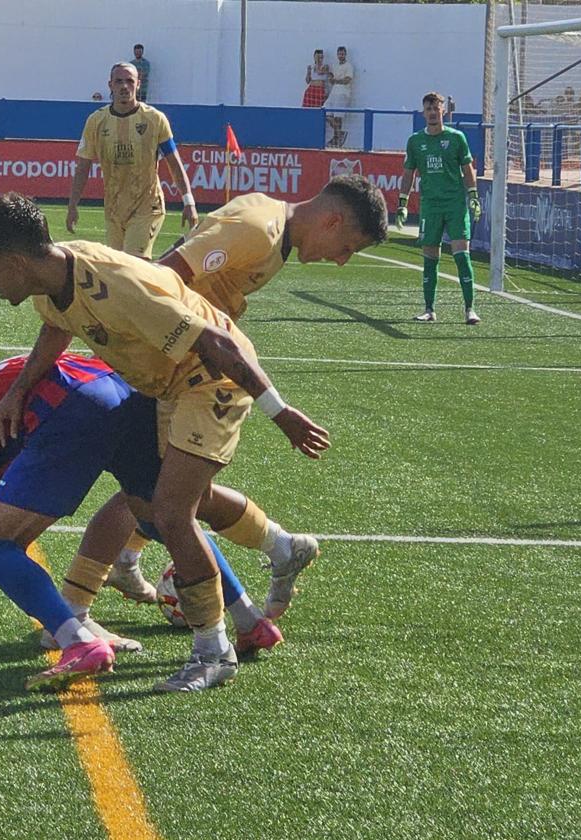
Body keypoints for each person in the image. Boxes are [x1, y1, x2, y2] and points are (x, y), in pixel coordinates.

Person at [0, 194, 330, 692]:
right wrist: (17, 391)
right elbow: (57, 325)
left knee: (170, 510)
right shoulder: (48, 280)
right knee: (171, 501)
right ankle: (257, 601)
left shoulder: (118, 286)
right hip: (167, 387)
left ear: (14, 261)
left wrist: (280, 411)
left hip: (213, 382)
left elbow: (217, 345)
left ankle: (213, 652)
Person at [0, 353, 278, 687]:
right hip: (124, 390)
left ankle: (77, 641)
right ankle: (250, 622)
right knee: (165, 515)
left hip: (75, 408)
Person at [102, 174, 389, 613]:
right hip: (169, 362)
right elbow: (163, 275)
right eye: (348, 247)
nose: (342, 261)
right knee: (165, 493)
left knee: (164, 491)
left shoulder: (274, 236)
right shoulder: (258, 230)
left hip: (182, 367)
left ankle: (118, 570)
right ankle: (260, 571)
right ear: (332, 221)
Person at [68, 62, 196, 259]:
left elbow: (174, 163)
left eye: (129, 81)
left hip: (148, 206)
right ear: (110, 85)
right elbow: (83, 166)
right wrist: (72, 205)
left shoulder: (155, 119)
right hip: (114, 210)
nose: (124, 86)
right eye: (119, 81)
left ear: (138, 85)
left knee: (132, 264)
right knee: (119, 272)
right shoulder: (96, 121)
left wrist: (189, 201)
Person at [396, 91, 481, 325]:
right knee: (430, 258)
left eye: (436, 109)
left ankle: (470, 309)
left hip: (454, 205)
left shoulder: (456, 138)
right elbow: (408, 173)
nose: (432, 113)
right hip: (430, 206)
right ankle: (429, 309)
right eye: (428, 109)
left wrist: (473, 196)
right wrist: (402, 202)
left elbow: (467, 168)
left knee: (462, 256)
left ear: (443, 111)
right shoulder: (415, 141)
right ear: (423, 113)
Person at [324, 46, 353, 148]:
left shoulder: (348, 66)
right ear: (337, 55)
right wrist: (330, 76)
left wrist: (336, 81)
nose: (341, 56)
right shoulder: (335, 65)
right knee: (325, 112)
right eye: (339, 54)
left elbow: (347, 80)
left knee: (338, 116)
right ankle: (339, 133)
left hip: (342, 93)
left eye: (342, 54)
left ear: (345, 54)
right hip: (333, 93)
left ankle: (337, 139)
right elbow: (331, 74)